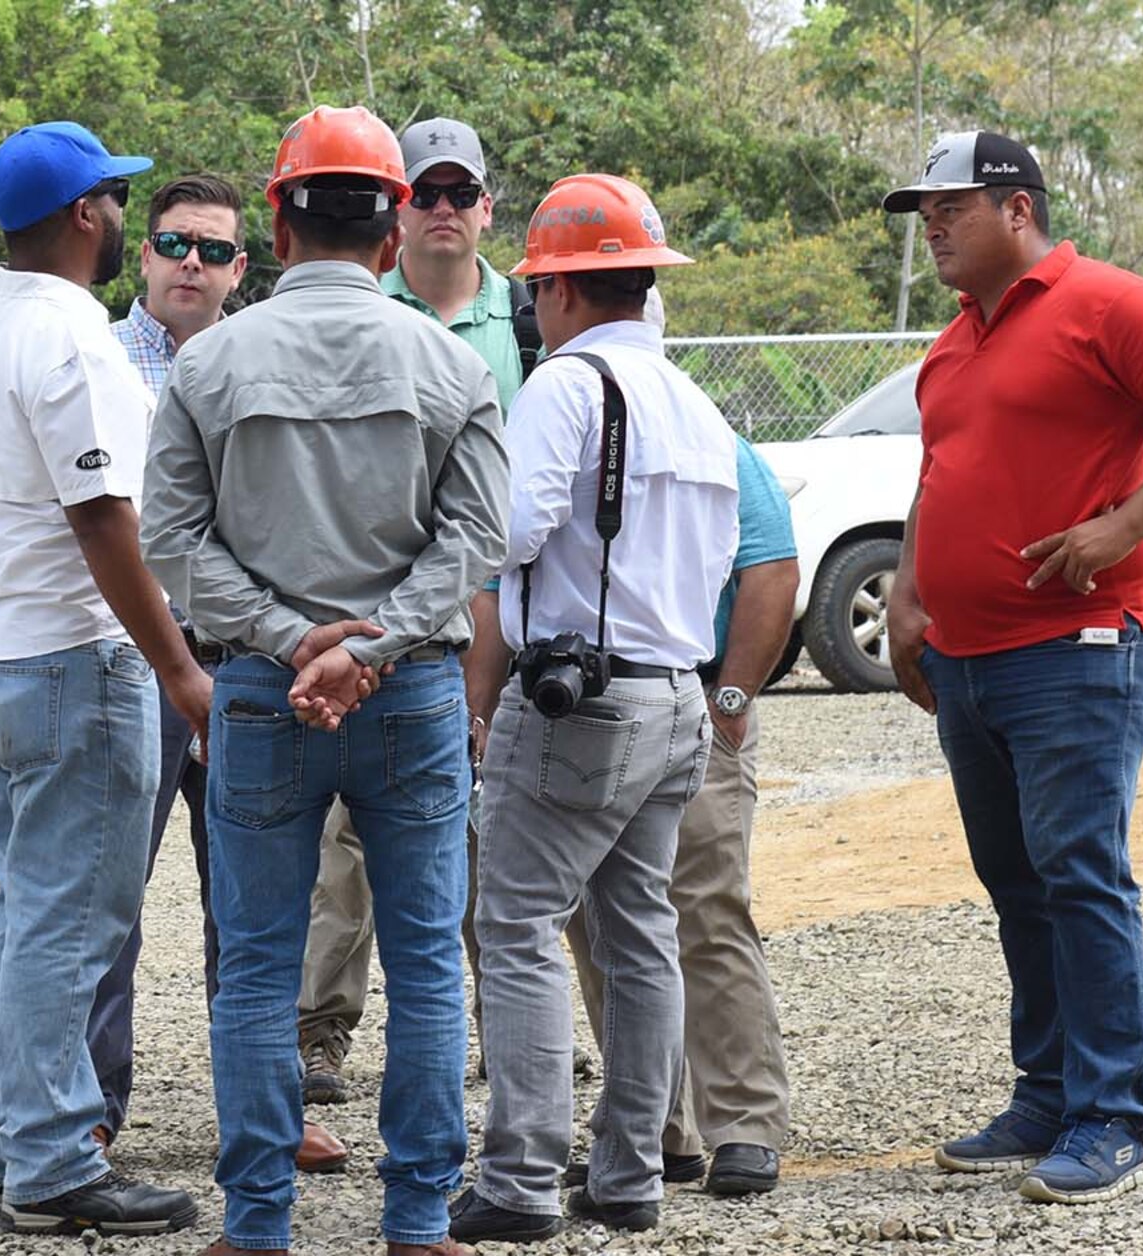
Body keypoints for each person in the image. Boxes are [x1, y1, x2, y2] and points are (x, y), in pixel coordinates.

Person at [139, 104, 508, 1256]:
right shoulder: (449, 364)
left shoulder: (209, 366)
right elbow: (478, 538)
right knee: (425, 963)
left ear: (277, 225)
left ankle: (256, 1225)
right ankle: (414, 1222)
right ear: (395, 232)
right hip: (409, 698)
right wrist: (372, 642)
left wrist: (291, 638)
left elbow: (169, 536)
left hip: (259, 692)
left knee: (254, 965)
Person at [880, 131, 1143, 1204]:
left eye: (948, 207)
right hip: (966, 659)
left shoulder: (1109, 302)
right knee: (1017, 884)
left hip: (1082, 648)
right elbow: (940, 470)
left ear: (1015, 208)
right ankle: (1045, 1094)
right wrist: (910, 591)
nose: (932, 228)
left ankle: (1108, 1117)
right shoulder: (952, 342)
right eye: (923, 213)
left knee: (1079, 876)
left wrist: (1119, 526)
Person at [0, 120, 212, 1237]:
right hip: (70, 651)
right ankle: (51, 1160)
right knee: (69, 920)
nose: (113, 218)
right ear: (83, 215)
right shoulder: (77, 339)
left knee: (24, 908)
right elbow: (105, 518)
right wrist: (178, 665)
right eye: (108, 201)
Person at [449, 174, 738, 1244]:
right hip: (673, 697)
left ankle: (519, 1178)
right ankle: (625, 1174)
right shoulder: (694, 401)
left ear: (554, 291)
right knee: (638, 931)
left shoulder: (563, 387)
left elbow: (506, 534)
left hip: (583, 699)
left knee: (515, 922)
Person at [98, 172, 350, 1174]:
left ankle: (264, 1110)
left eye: (212, 249)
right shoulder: (102, 361)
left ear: (244, 266)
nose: (189, 264)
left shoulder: (265, 361)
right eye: (173, 244)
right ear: (145, 253)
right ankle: (88, 1111)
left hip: (245, 663)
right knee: (108, 895)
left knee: (255, 899)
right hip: (131, 661)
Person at [296, 115, 548, 1106]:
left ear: (487, 208)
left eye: (459, 194)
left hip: (491, 616)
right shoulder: (351, 310)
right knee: (343, 852)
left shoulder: (530, 321)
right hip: (358, 622)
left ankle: (511, 1029)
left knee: (502, 837)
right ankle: (323, 1034)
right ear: (394, 211)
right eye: (424, 194)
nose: (442, 211)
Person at [565, 286, 798, 1198]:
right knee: (601, 925)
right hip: (586, 710)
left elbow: (770, 567)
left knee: (703, 908)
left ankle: (743, 1123)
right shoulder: (557, 424)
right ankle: (654, 1129)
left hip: (692, 697)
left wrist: (734, 691)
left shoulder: (710, 435)